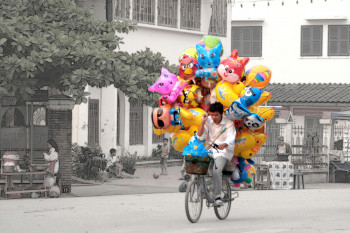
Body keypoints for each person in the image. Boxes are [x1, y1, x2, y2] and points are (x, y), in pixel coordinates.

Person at [197, 102, 236, 207]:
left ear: (221, 114)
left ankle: (217, 197)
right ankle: (198, 185)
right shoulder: (208, 120)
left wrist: (225, 144)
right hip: (209, 149)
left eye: (216, 115)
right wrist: (202, 123)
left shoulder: (228, 123)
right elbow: (200, 136)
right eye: (212, 114)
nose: (213, 117)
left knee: (216, 170)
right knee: (195, 162)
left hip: (223, 151)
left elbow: (231, 137)